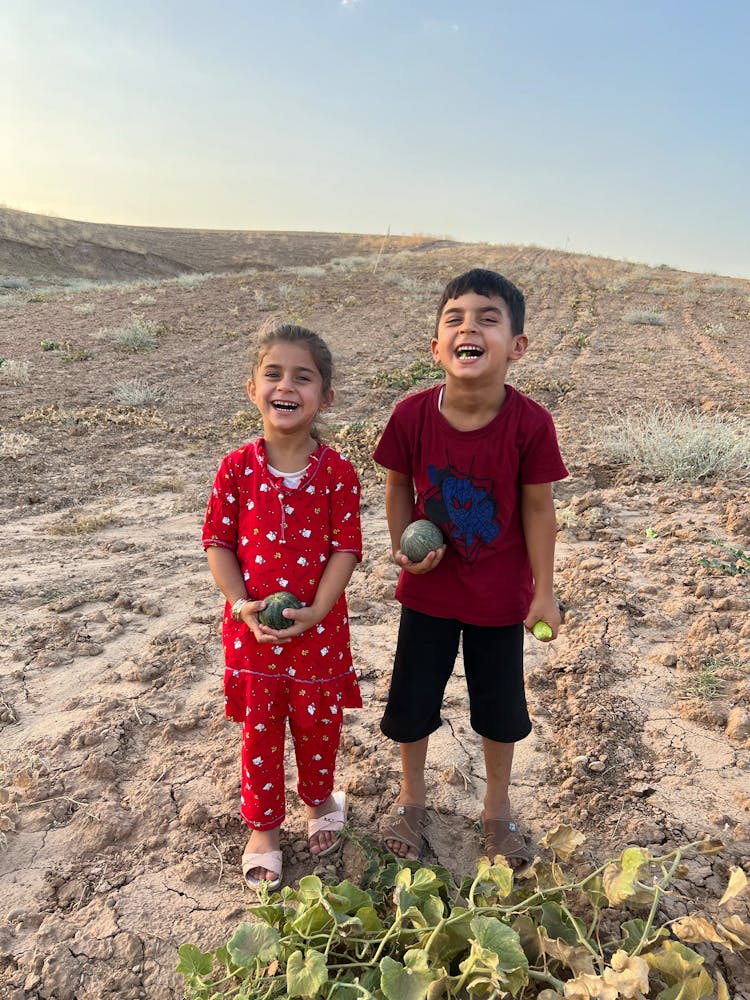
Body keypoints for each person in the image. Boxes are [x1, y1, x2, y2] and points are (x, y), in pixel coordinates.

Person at [373, 268, 568, 869]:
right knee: (412, 699)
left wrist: (545, 592)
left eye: (488, 318)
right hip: (428, 593)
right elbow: (398, 486)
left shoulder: (530, 424)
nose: (470, 328)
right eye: (454, 319)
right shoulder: (410, 416)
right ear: (437, 347)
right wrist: (404, 548)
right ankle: (412, 798)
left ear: (517, 346)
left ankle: (497, 808)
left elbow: (539, 509)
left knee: (500, 708)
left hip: (500, 598)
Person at [203, 322, 362, 890]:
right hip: (253, 632)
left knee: (320, 725)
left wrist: (318, 610)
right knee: (261, 728)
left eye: (303, 376)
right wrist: (243, 604)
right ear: (253, 388)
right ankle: (264, 828)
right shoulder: (236, 469)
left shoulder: (339, 472)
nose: (286, 386)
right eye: (273, 374)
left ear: (325, 396)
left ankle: (320, 800)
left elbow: (346, 548)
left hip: (320, 630)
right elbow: (217, 543)